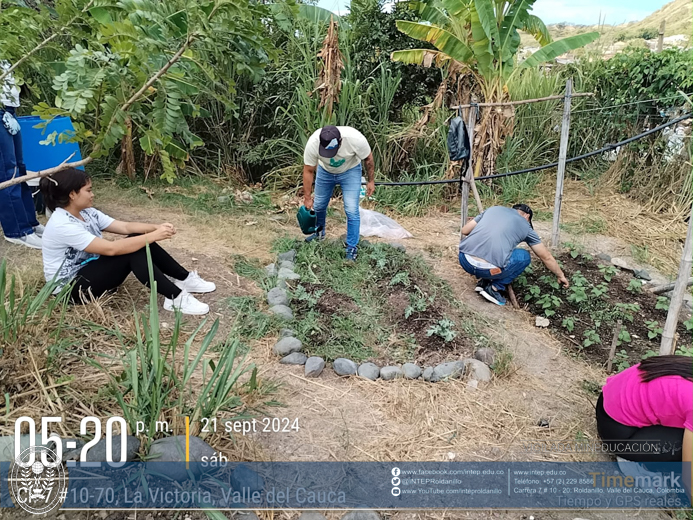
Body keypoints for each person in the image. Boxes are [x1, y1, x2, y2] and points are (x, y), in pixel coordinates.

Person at [39, 168, 215, 315]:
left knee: (138, 241)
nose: (93, 194)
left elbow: (124, 227)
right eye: (89, 190)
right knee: (133, 250)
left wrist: (155, 227)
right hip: (70, 290)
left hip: (88, 271)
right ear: (72, 194)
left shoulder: (86, 212)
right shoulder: (62, 224)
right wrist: (153, 236)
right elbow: (111, 249)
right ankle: (175, 298)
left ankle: (184, 279)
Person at [596, 355, 692, 500]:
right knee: (684, 448)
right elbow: (688, 474)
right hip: (618, 432)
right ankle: (633, 465)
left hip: (608, 401)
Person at [458, 204, 569, 306]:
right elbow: (546, 257)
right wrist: (560, 275)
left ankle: (484, 281)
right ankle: (494, 288)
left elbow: (465, 230)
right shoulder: (526, 226)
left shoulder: (493, 209)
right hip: (488, 270)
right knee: (524, 256)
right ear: (527, 216)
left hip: (464, 260)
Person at [302, 125, 375, 261]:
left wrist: (371, 181)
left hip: (350, 170)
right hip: (325, 172)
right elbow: (308, 170)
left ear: (340, 141)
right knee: (318, 205)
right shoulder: (313, 143)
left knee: (351, 209)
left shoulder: (355, 139)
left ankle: (351, 247)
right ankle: (319, 234)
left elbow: (368, 159)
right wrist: (307, 197)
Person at [0, 60, 43, 249]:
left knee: (20, 168)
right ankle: (17, 231)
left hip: (9, 111)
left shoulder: (8, 49)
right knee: (7, 171)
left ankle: (30, 223)